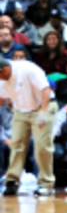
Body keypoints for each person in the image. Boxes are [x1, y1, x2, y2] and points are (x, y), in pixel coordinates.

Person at [0, 55, 56, 196]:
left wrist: (43, 113)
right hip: (20, 109)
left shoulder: (28, 69)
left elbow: (45, 90)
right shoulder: (1, 78)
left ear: (5, 69)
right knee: (16, 145)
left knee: (42, 145)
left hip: (43, 106)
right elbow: (1, 97)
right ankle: (12, 181)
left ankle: (46, 183)